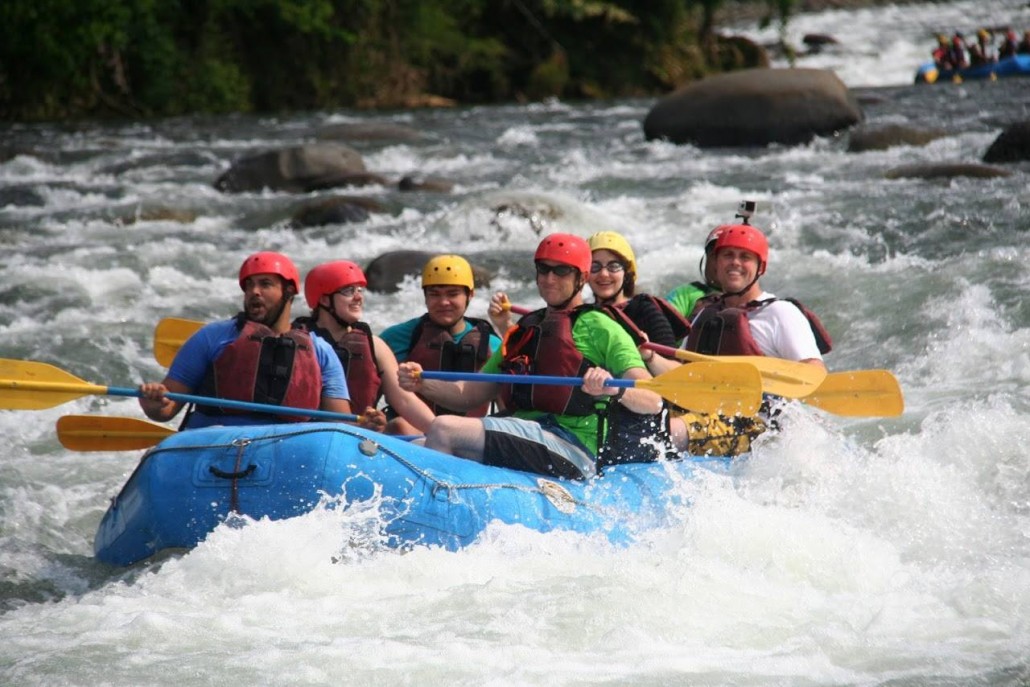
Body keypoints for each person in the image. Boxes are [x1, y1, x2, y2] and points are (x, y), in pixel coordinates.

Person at [399, 233, 663, 480]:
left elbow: (653, 400)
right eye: (543, 269)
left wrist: (615, 389)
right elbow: (468, 393)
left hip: (574, 446)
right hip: (526, 432)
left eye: (561, 271)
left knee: (443, 429)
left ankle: (443, 516)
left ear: (581, 278)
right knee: (422, 444)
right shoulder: (524, 330)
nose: (549, 279)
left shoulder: (602, 328)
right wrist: (421, 383)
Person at [138, 251, 383, 430]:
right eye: (249, 286)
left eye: (265, 284)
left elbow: (341, 425)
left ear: (288, 292)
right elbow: (165, 411)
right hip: (214, 441)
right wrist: (152, 401)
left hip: (287, 450)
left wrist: (368, 426)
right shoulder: (212, 338)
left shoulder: (320, 351)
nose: (254, 292)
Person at [645, 222, 831, 456]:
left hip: (757, 423)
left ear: (760, 267)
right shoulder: (706, 313)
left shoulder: (780, 313)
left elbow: (815, 372)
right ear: (716, 263)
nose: (735, 262)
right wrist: (649, 355)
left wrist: (762, 381)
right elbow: (681, 373)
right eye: (728, 256)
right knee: (638, 416)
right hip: (703, 409)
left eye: (745, 257)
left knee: (665, 431)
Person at [292, 260, 435, 435]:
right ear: (323, 299)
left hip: (363, 438)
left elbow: (404, 400)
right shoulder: (300, 345)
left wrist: (439, 430)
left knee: (401, 426)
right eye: (348, 291)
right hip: (314, 435)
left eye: (360, 290)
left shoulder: (375, 345)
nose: (358, 297)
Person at [380, 254, 503, 433]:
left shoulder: (492, 343)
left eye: (453, 294)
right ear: (425, 297)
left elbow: (508, 405)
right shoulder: (394, 338)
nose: (443, 302)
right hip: (413, 435)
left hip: (471, 437)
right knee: (399, 426)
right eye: (434, 294)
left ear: (470, 295)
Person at [666, 224, 724, 320]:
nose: (720, 262)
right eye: (715, 255)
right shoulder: (685, 294)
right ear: (706, 258)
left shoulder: (750, 301)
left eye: (727, 256)